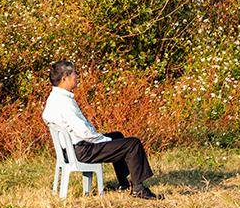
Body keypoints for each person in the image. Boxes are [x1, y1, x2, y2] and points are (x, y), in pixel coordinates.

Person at [42, 60, 162, 200]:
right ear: (65, 78)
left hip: (69, 150)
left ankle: (125, 183)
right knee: (133, 144)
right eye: (74, 73)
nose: (77, 76)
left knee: (118, 136)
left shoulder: (54, 97)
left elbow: (46, 117)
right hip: (82, 150)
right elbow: (84, 133)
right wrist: (103, 139)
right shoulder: (65, 102)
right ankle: (139, 189)